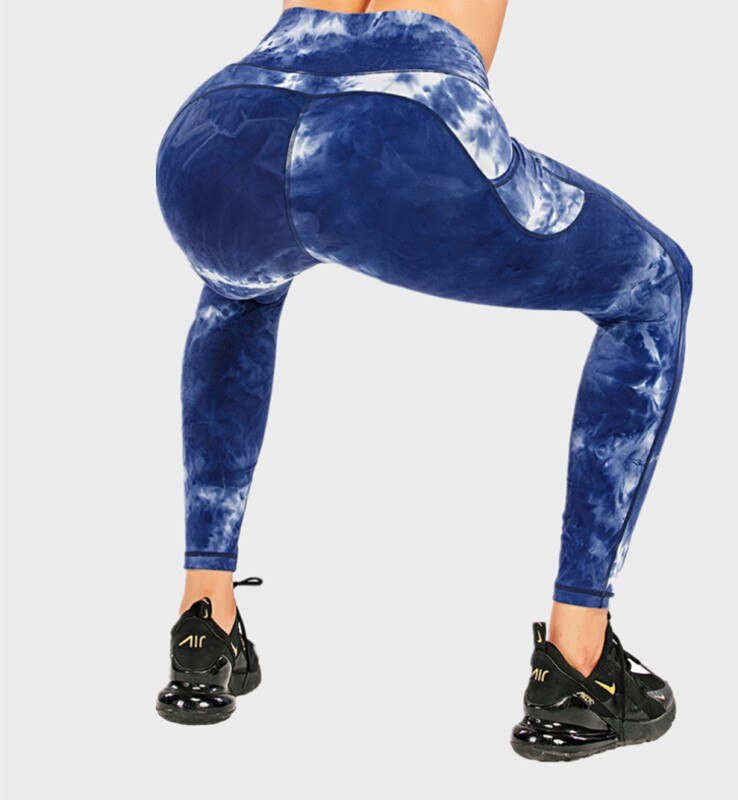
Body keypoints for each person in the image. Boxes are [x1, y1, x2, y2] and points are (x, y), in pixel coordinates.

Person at [155, 0, 691, 760]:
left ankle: (203, 622)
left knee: (237, 292)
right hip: (393, 131)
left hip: (225, 125)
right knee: (655, 285)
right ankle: (580, 664)